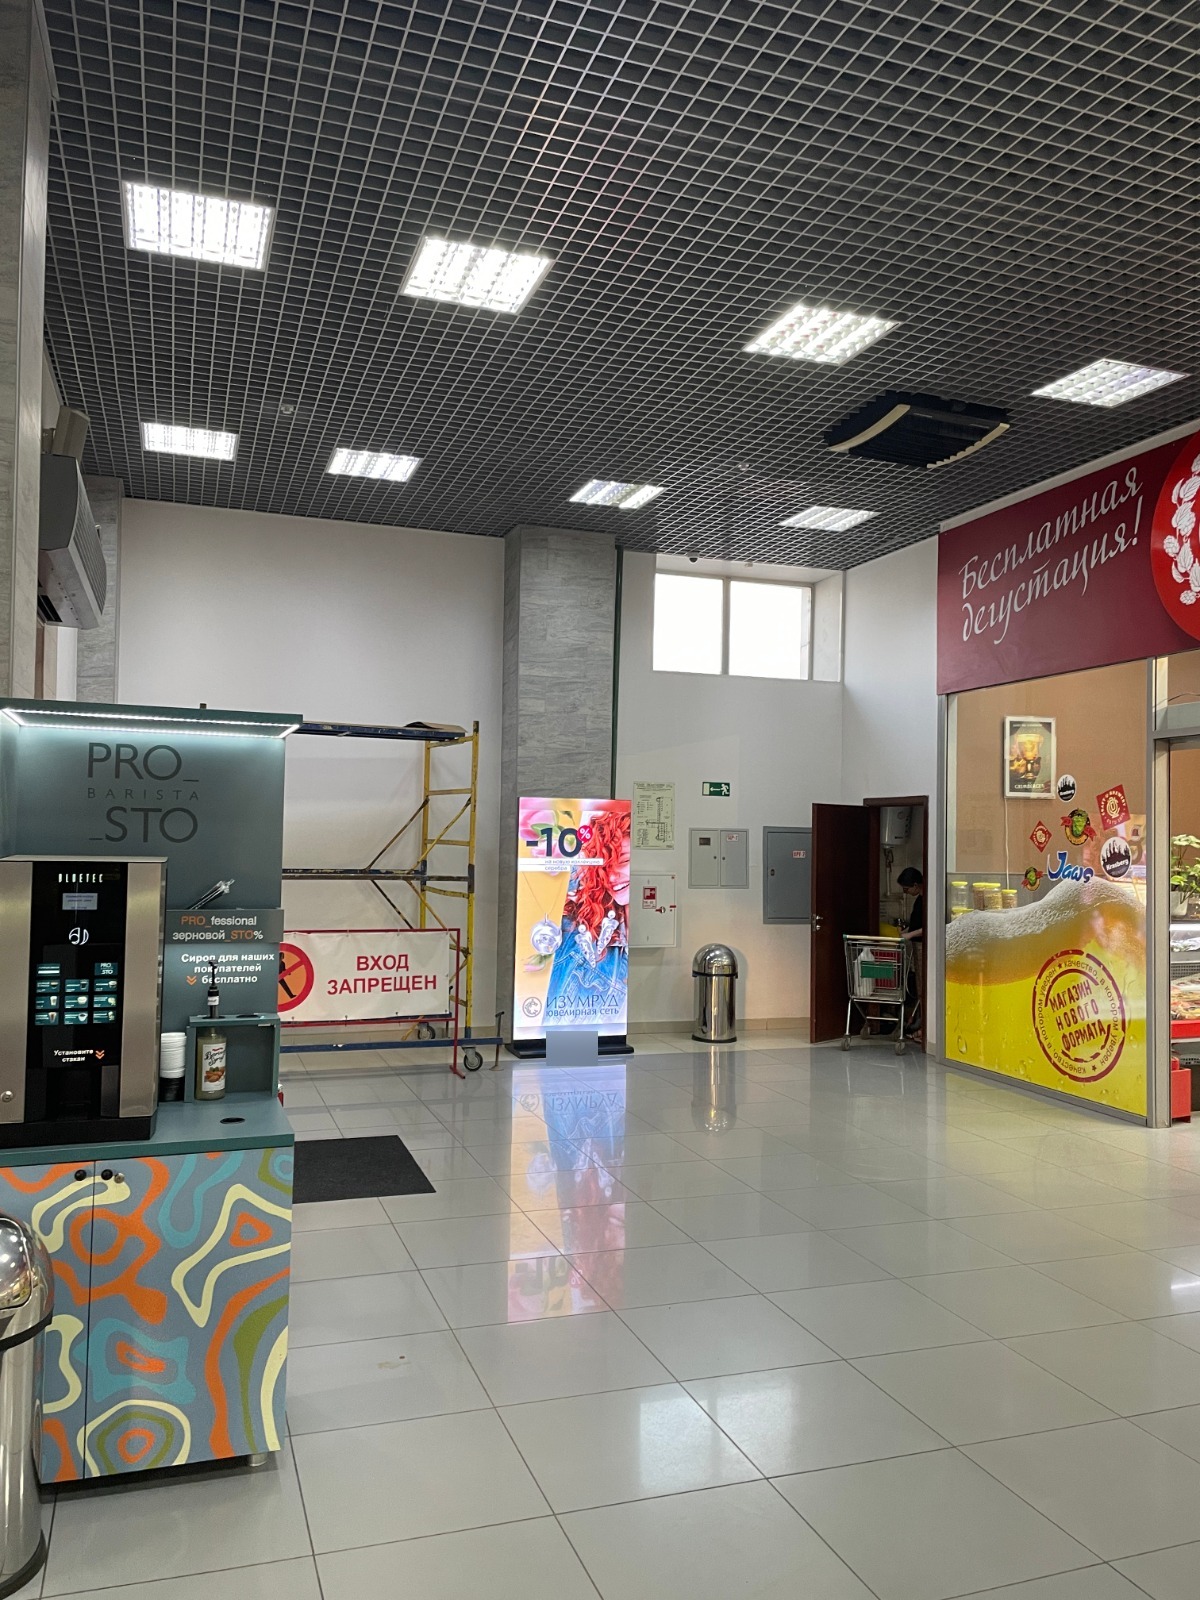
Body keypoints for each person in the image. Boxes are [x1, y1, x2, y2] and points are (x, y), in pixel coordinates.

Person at [897, 866, 924, 1040]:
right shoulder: (919, 899)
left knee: (923, 987)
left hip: (922, 946)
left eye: (906, 889)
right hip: (916, 944)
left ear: (915, 885)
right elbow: (916, 924)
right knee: (919, 986)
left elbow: (928, 926)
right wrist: (906, 931)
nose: (905, 893)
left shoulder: (927, 899)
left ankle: (923, 1029)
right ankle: (921, 1025)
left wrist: (909, 935)